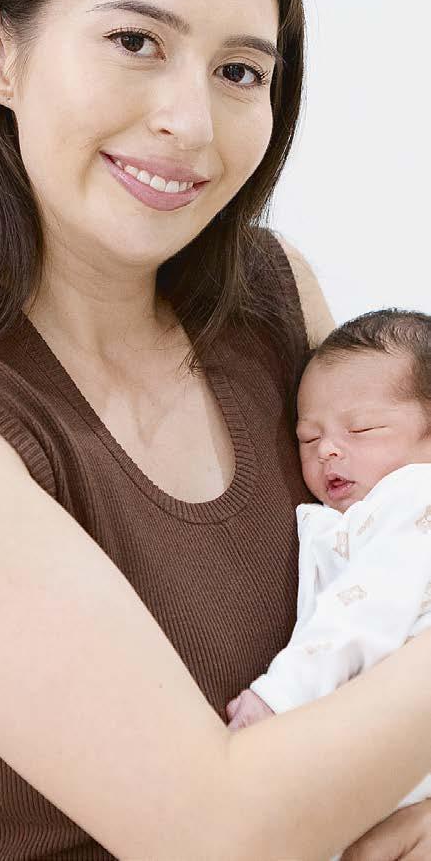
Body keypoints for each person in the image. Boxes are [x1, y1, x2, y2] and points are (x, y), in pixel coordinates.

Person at [0, 0, 431, 861]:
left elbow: (391, 605)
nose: (189, 122)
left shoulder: (273, 299)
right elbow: (213, 834)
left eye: (239, 70)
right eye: (134, 41)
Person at [226, 309, 431, 848]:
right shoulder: (357, 514)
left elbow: (366, 609)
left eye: (361, 430)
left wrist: (280, 695)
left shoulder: (415, 496)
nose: (328, 450)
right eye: (307, 437)